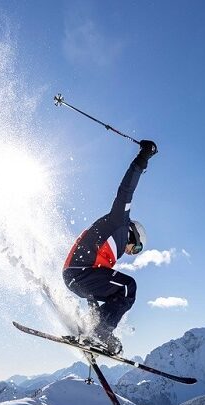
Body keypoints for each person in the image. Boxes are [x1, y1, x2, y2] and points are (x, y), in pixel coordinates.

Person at [62, 139, 158, 355]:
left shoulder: (111, 251)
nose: (132, 253)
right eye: (137, 249)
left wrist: (92, 319)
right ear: (134, 234)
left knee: (118, 295)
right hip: (80, 272)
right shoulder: (120, 222)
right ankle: (101, 333)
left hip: (77, 277)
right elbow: (126, 190)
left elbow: (98, 288)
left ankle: (94, 331)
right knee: (128, 287)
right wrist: (143, 158)